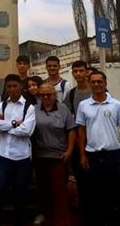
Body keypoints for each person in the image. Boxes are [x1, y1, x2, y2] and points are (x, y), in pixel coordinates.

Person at [76, 71, 120, 226]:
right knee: (94, 196)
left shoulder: (116, 105)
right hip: (92, 156)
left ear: (105, 83)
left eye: (99, 81)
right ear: (89, 84)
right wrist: (82, 155)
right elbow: (81, 131)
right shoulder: (83, 105)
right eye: (93, 82)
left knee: (118, 195)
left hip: (114, 156)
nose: (96, 85)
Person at [0, 74, 36, 226]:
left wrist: (5, 126)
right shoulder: (1, 105)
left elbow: (27, 131)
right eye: (9, 86)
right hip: (4, 156)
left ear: (21, 87)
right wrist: (14, 123)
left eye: (14, 86)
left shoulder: (29, 107)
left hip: (22, 157)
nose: (12, 89)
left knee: (21, 195)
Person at [32, 83, 76, 226]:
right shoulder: (34, 110)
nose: (46, 97)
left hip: (58, 157)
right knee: (43, 190)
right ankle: (46, 217)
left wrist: (69, 151)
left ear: (55, 95)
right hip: (40, 157)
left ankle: (62, 220)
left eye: (49, 94)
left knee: (59, 191)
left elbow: (71, 130)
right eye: (42, 95)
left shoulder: (63, 110)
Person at [64, 60, 92, 223]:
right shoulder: (72, 94)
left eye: (81, 71)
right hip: (77, 143)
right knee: (81, 178)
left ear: (86, 72)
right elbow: (67, 118)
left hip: (96, 143)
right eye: (75, 71)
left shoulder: (96, 90)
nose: (78, 74)